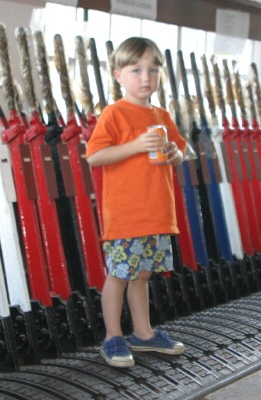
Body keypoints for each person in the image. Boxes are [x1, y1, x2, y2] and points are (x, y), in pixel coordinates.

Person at [85, 37, 187, 368]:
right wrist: (136, 145)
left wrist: (175, 154)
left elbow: (182, 151)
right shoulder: (114, 113)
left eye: (153, 70)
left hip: (157, 214)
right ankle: (112, 336)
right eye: (136, 70)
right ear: (118, 75)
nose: (146, 78)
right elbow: (95, 156)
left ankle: (143, 334)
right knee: (118, 275)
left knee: (142, 276)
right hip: (126, 216)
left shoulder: (162, 115)